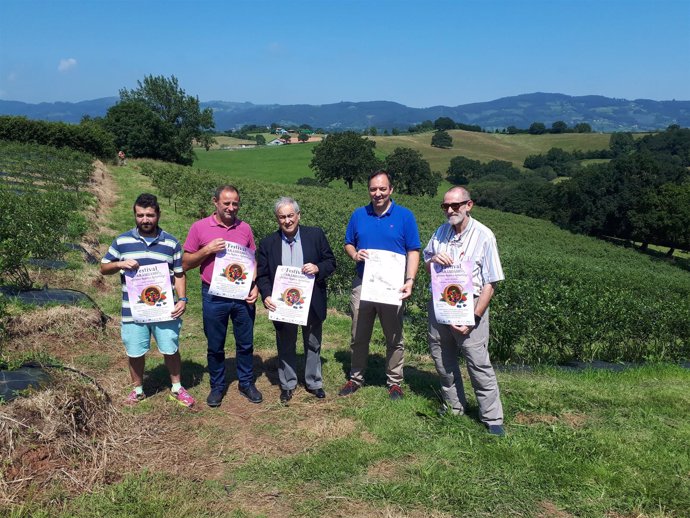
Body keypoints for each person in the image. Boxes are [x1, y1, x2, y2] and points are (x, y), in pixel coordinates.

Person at [424, 186, 506, 436]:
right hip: (440, 305)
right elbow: (427, 264)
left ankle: (492, 418)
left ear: (469, 205)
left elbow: (491, 283)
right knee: (442, 359)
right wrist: (432, 262)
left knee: (478, 362)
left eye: (455, 205)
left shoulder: (484, 236)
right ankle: (453, 406)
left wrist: (475, 317)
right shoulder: (440, 233)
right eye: (445, 206)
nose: (450, 210)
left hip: (470, 305)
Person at [100, 193, 195, 407]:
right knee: (135, 351)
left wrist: (183, 299)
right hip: (133, 311)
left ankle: (177, 388)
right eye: (140, 215)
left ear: (158, 215)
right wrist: (119, 265)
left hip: (164, 309)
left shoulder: (171, 242)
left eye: (150, 215)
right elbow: (104, 267)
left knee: (170, 348)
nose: (145, 219)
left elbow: (179, 273)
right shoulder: (122, 241)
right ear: (135, 215)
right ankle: (138, 390)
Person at [338, 170, 420, 400]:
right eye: (373, 189)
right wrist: (354, 255)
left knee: (394, 337)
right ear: (369, 190)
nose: (378, 193)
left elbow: (413, 250)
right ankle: (355, 378)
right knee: (358, 335)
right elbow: (348, 243)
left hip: (393, 287)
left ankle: (394, 382)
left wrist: (409, 280)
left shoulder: (405, 216)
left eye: (382, 189)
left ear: (391, 190)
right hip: (363, 284)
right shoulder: (359, 215)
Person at [183, 185, 262, 407]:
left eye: (235, 203)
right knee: (215, 344)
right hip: (213, 295)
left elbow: (252, 259)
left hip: (241, 294)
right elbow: (185, 263)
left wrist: (254, 284)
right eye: (226, 203)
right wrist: (207, 250)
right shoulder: (199, 227)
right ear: (215, 202)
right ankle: (217, 386)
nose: (231, 207)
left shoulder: (245, 228)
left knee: (245, 343)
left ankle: (246, 382)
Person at [256, 197, 336, 403]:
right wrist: (266, 295)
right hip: (283, 304)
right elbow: (263, 275)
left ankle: (314, 382)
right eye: (282, 217)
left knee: (313, 343)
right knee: (286, 344)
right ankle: (288, 384)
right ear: (277, 219)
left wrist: (318, 268)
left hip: (311, 301)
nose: (287, 220)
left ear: (298, 216)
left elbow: (330, 262)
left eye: (290, 215)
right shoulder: (268, 243)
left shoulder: (315, 235)